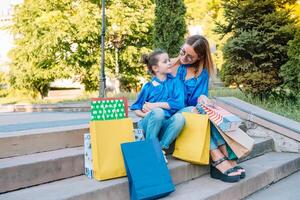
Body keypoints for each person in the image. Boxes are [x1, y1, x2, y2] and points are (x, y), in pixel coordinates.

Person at [170, 35, 245, 182]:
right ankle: (219, 158)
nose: (184, 57)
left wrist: (203, 99)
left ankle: (225, 157)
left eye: (190, 56)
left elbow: (198, 98)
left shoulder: (202, 73)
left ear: (200, 57)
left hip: (192, 113)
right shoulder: (171, 66)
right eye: (182, 52)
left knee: (202, 110)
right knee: (195, 112)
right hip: (172, 112)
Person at [130, 50, 186, 162]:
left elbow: (179, 104)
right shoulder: (148, 86)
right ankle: (151, 147)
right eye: (165, 61)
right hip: (149, 125)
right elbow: (136, 108)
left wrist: (155, 105)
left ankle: (160, 148)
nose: (169, 63)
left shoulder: (175, 82)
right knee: (158, 113)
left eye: (169, 60)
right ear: (155, 68)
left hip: (165, 124)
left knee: (180, 118)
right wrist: (147, 114)